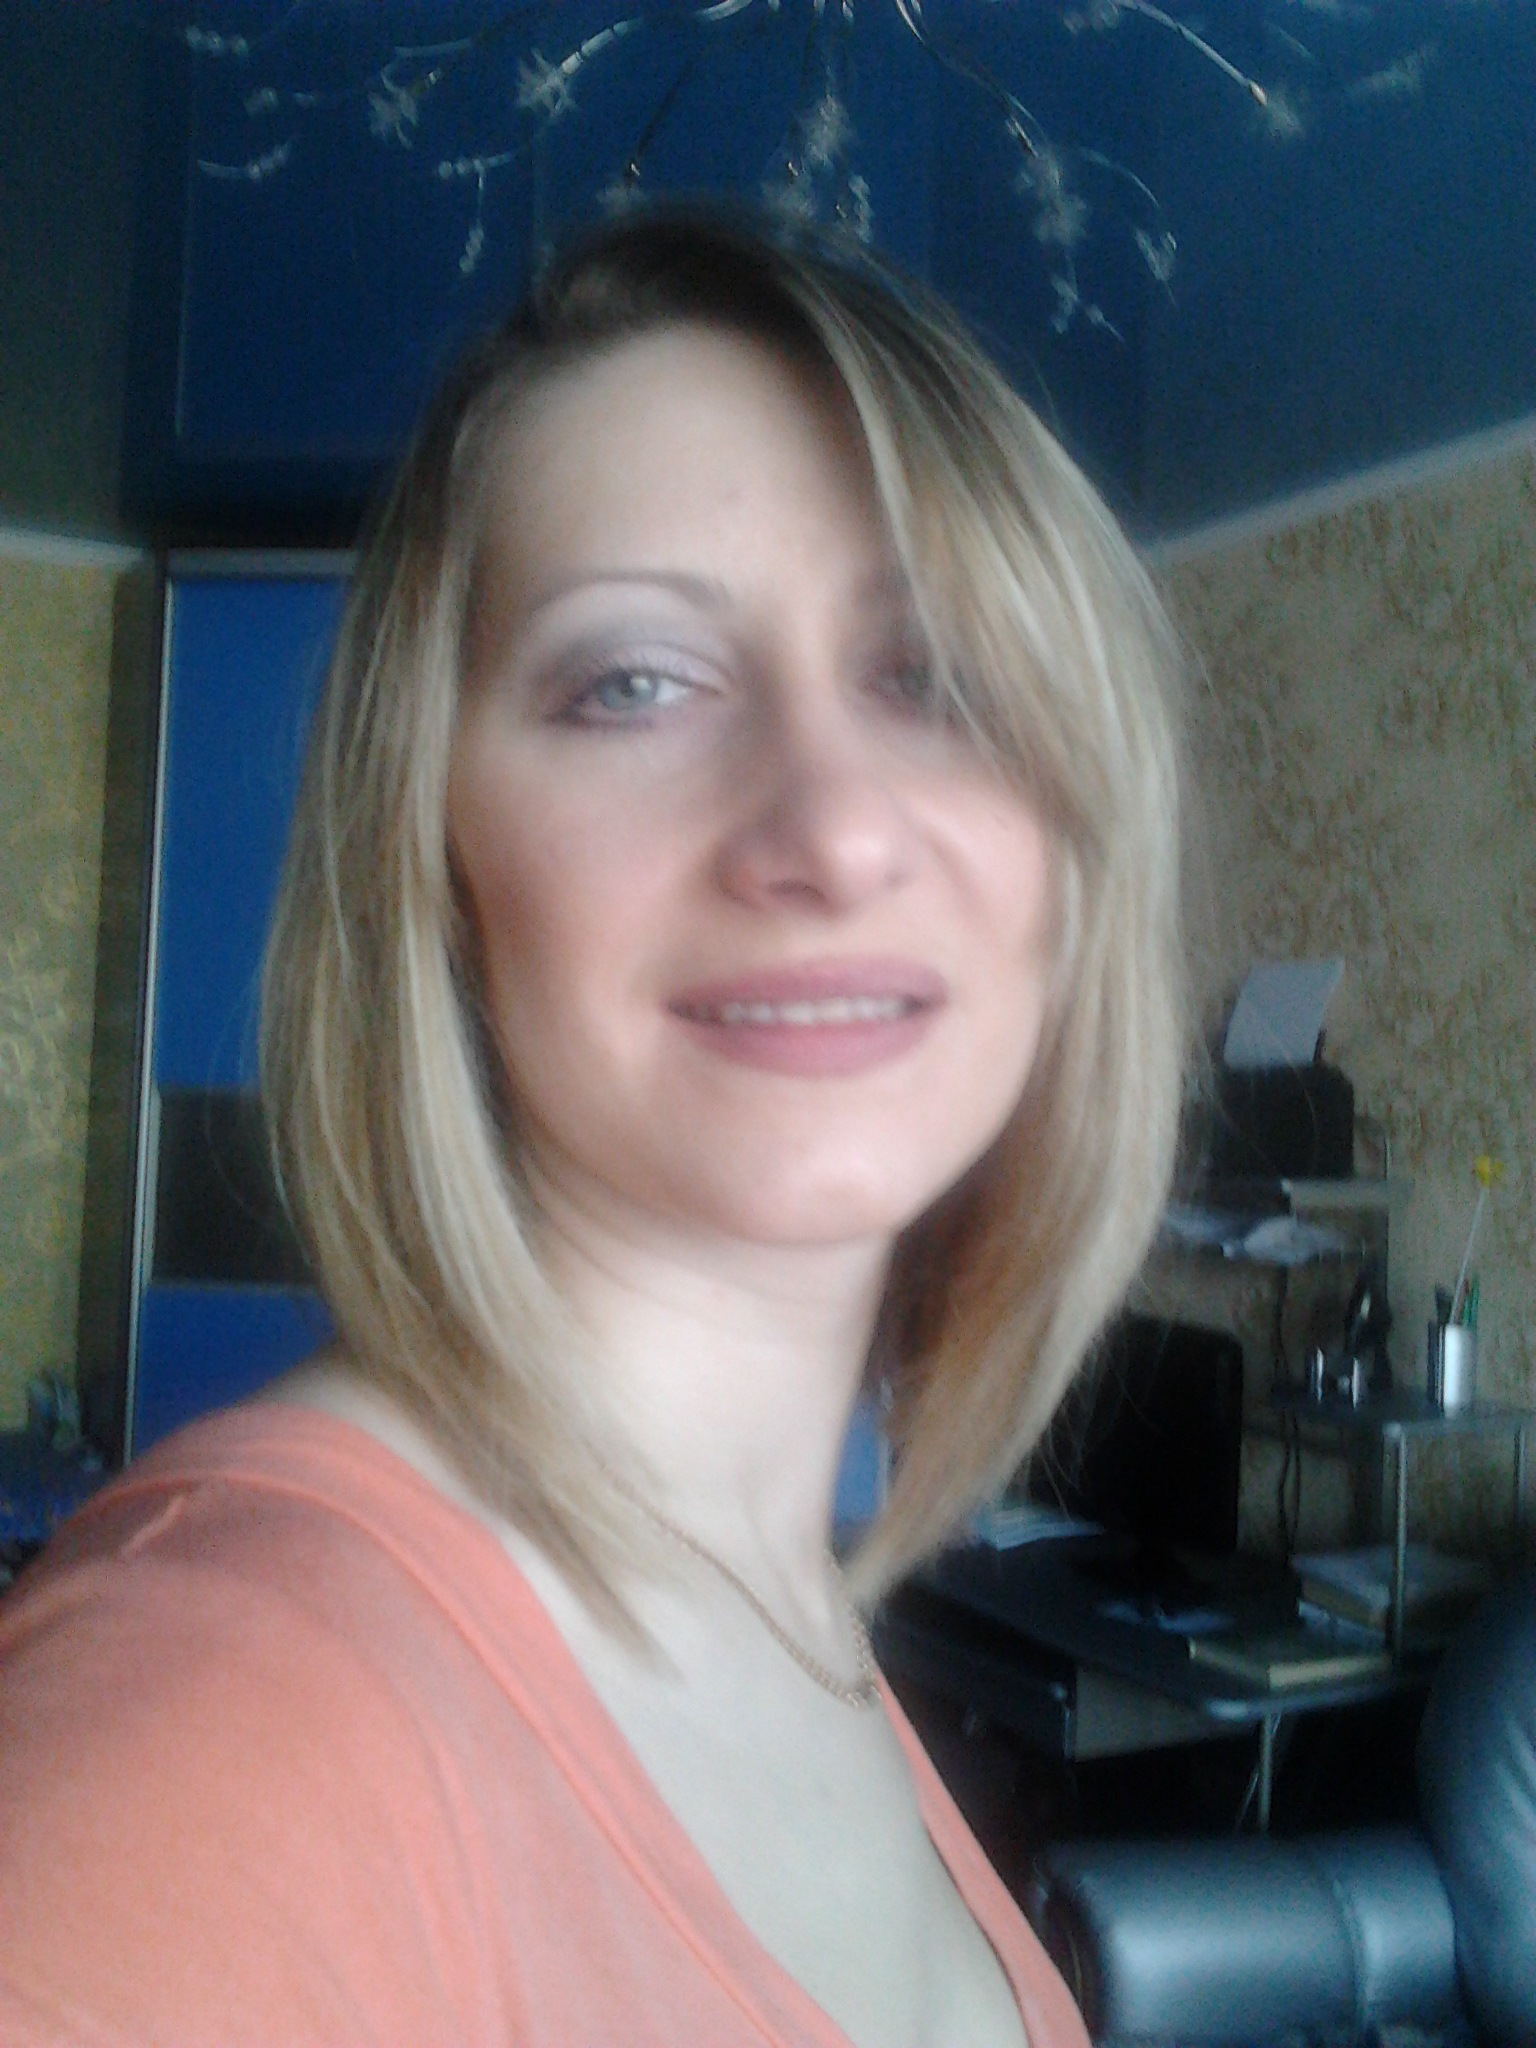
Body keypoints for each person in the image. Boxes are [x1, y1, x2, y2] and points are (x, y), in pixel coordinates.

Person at [0, 208, 1186, 2046]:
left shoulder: (793, 1615)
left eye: (938, 679)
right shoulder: (212, 1731)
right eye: (634, 681)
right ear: (437, 850)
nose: (830, 829)